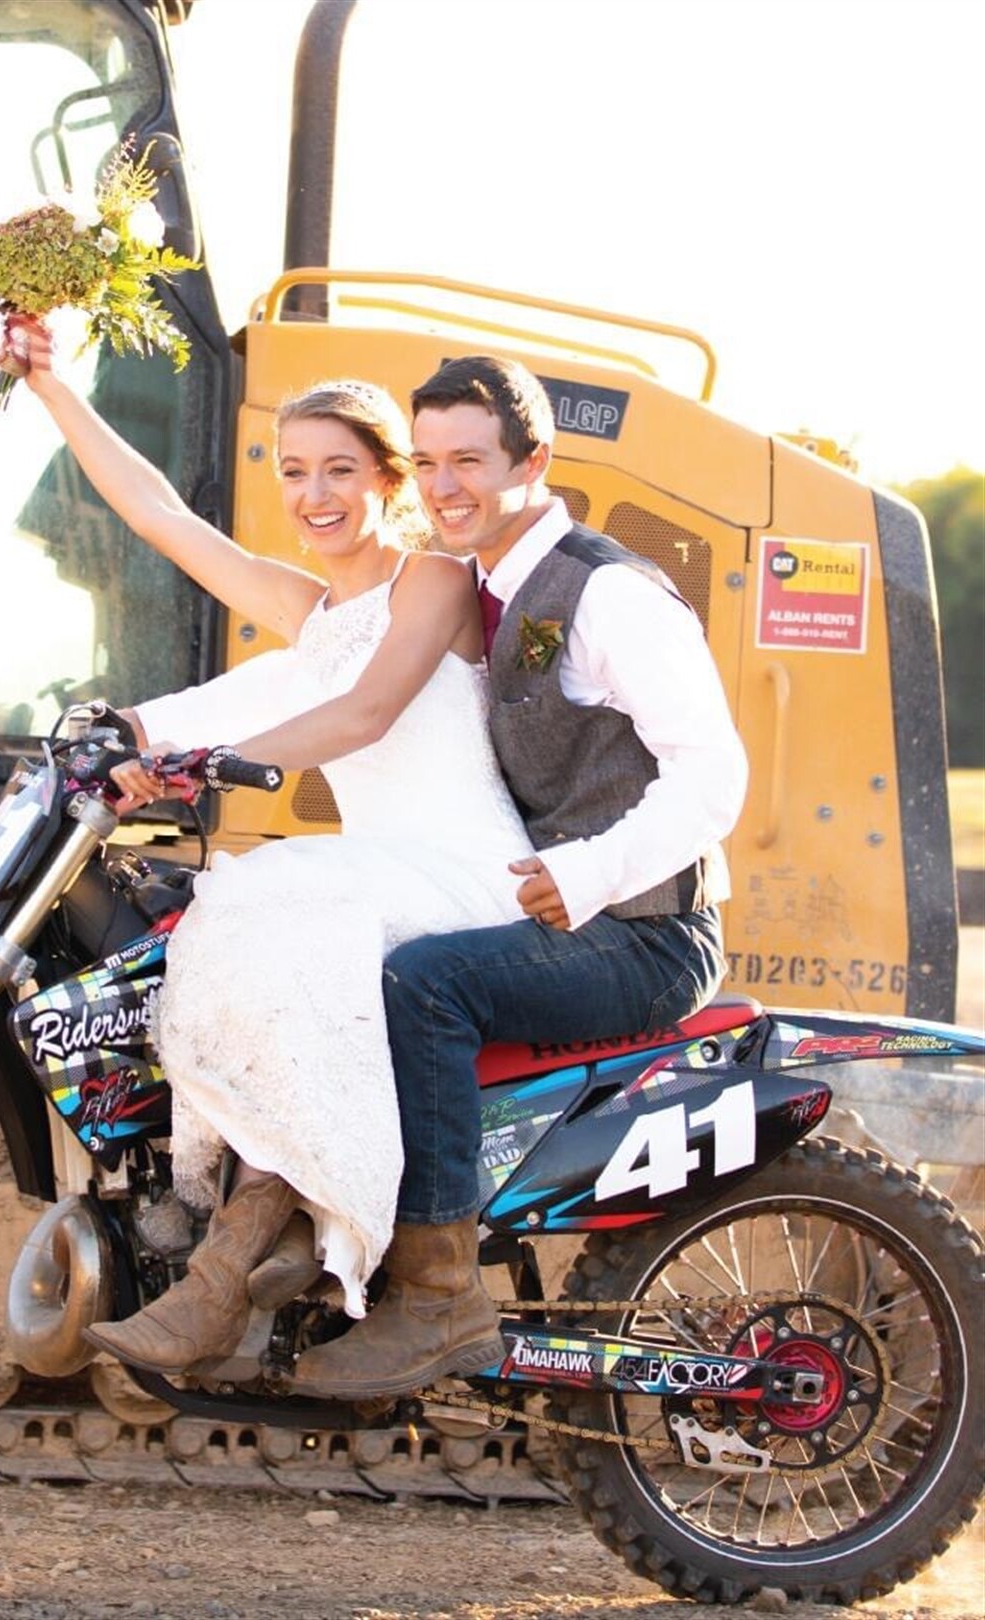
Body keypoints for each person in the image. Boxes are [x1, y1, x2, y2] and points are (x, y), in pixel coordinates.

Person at [0, 319, 535, 1374]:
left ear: (390, 479)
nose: (314, 493)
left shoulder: (429, 582)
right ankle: (240, 1260)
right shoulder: (310, 608)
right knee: (228, 921)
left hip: (467, 876)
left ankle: (237, 1272)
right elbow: (159, 516)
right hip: (381, 877)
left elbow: (366, 716)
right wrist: (52, 384)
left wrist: (210, 760)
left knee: (273, 910)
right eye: (294, 472)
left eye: (340, 468)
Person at [291, 354, 749, 1399]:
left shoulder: (608, 595)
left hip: (645, 935)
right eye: (429, 462)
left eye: (472, 462)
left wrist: (585, 869)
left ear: (535, 462)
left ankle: (442, 1302)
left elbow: (716, 774)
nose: (445, 485)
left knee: (426, 983)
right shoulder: (487, 591)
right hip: (578, 917)